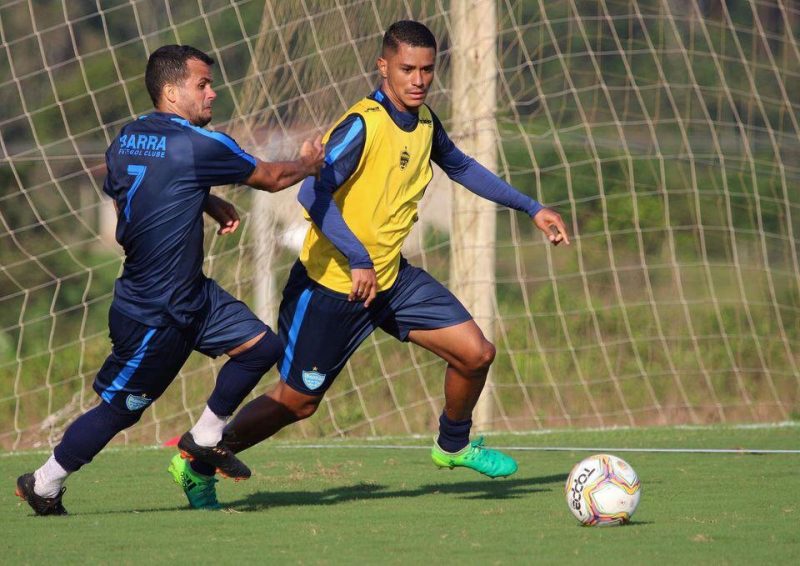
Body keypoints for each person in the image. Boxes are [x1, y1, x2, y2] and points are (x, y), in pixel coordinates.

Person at [171, 20, 570, 509]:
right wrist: (357, 257)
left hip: (391, 280)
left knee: (476, 354)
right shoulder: (363, 124)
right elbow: (311, 192)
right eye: (407, 69)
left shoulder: (425, 123)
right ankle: (198, 462)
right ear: (384, 66)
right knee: (298, 402)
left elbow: (462, 166)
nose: (418, 80)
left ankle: (453, 444)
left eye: (427, 69)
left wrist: (532, 207)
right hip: (330, 288)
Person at [15, 44, 324, 516]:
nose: (212, 93)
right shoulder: (200, 144)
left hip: (193, 295)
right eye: (203, 84)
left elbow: (131, 193)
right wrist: (307, 164)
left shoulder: (128, 137)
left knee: (262, 348)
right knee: (120, 411)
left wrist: (204, 199)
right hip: (153, 312)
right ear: (172, 91)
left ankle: (204, 438)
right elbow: (270, 177)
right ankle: (43, 483)